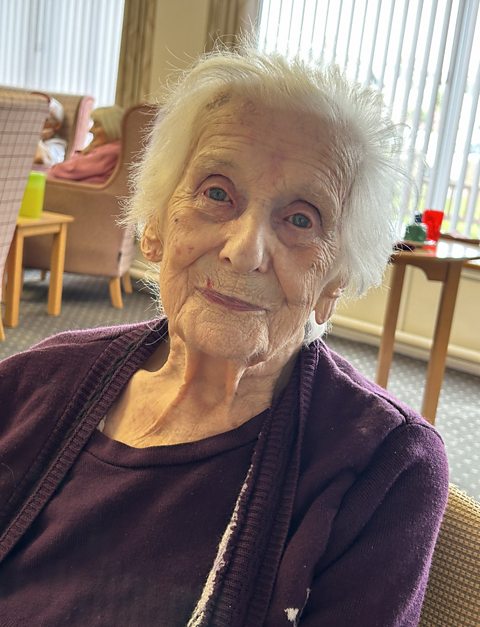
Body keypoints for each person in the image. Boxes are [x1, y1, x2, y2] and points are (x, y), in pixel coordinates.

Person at [0, 45, 448, 626]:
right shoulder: (33, 381)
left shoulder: (383, 464)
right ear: (156, 225)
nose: (244, 250)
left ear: (335, 279)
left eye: (301, 219)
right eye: (217, 193)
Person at [48, 104, 124, 184]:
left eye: (96, 125)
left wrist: (53, 169)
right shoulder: (111, 149)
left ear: (111, 128)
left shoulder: (111, 151)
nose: (90, 130)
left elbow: (71, 169)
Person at [33, 96, 67, 166]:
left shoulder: (57, 145)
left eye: (43, 118)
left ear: (56, 125)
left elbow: (41, 160)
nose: (33, 121)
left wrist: (36, 137)